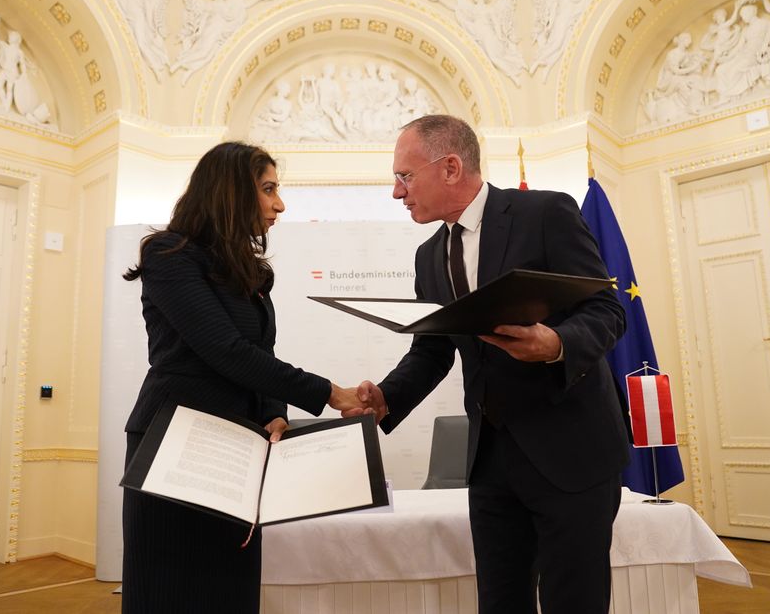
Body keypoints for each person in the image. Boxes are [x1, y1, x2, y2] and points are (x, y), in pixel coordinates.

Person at [347, 115, 630, 613]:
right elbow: (432, 350)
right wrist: (387, 398)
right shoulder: (428, 256)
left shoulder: (545, 212)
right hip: (491, 464)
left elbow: (607, 309)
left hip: (571, 455)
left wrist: (557, 344)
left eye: (405, 177)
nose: (397, 193)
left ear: (451, 167)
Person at [121, 141, 363, 613]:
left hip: (241, 444)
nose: (280, 204)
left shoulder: (249, 272)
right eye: (269, 189)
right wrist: (330, 393)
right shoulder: (170, 255)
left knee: (229, 588)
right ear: (231, 192)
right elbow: (223, 351)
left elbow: (258, 354)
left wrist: (275, 412)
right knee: (169, 589)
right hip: (177, 447)